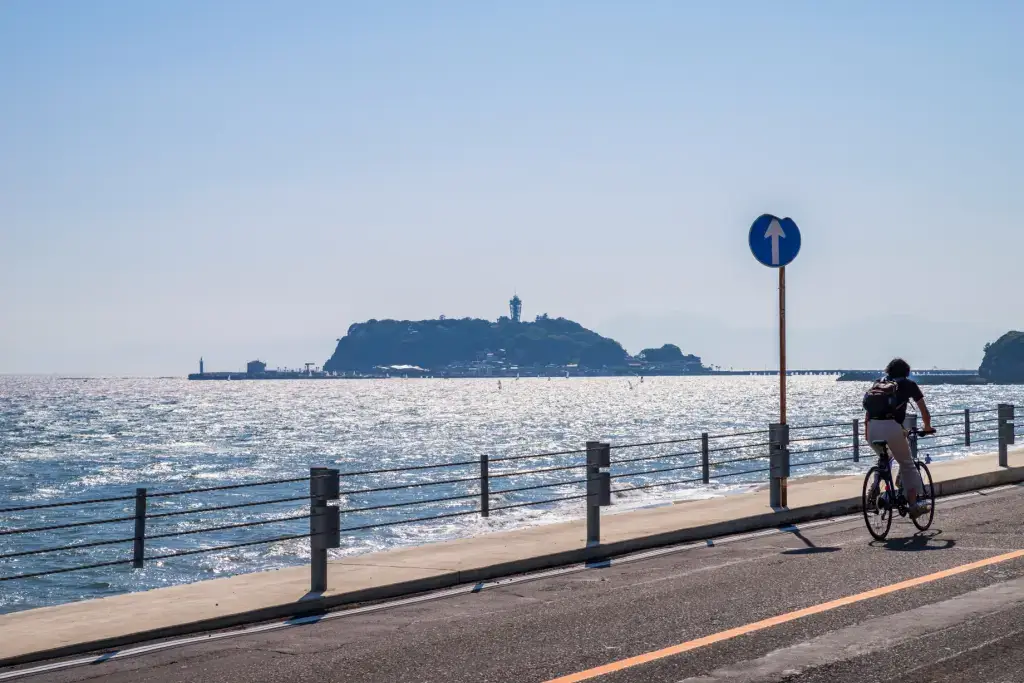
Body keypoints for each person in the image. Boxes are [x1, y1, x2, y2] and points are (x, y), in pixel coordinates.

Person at [863, 358, 935, 518]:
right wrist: (928, 427)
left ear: (888, 371)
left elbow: (868, 414)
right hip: (892, 428)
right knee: (907, 464)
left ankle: (875, 485)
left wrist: (867, 432)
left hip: (872, 429)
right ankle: (913, 505)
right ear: (907, 372)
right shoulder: (909, 385)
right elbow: (924, 411)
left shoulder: (878, 384)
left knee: (885, 457)